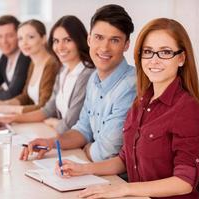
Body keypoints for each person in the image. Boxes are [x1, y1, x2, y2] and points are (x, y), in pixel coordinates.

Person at [55, 18, 199, 199]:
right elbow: (125, 159)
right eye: (148, 52)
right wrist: (83, 169)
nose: (154, 60)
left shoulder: (187, 109)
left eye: (165, 52)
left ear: (181, 58)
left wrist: (124, 189)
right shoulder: (142, 100)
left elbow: (184, 182)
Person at [20, 4, 136, 162]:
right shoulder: (94, 79)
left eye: (114, 40)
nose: (104, 48)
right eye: (99, 37)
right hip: (92, 168)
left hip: (117, 179)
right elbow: (83, 129)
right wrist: (51, 143)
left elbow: (106, 152)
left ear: (126, 45)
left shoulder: (131, 86)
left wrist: (86, 148)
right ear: (89, 39)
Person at [0, 15, 95, 133]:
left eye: (67, 40)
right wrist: (11, 118)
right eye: (56, 41)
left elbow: (68, 126)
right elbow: (48, 110)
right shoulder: (63, 71)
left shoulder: (86, 74)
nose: (60, 47)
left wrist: (54, 123)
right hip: (58, 134)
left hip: (74, 141)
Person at [0, 19, 60, 113]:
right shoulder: (33, 63)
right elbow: (26, 96)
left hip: (46, 121)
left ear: (43, 39)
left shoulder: (51, 65)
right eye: (20, 39)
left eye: (30, 37)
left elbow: (44, 107)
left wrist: (9, 109)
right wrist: (5, 104)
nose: (24, 43)